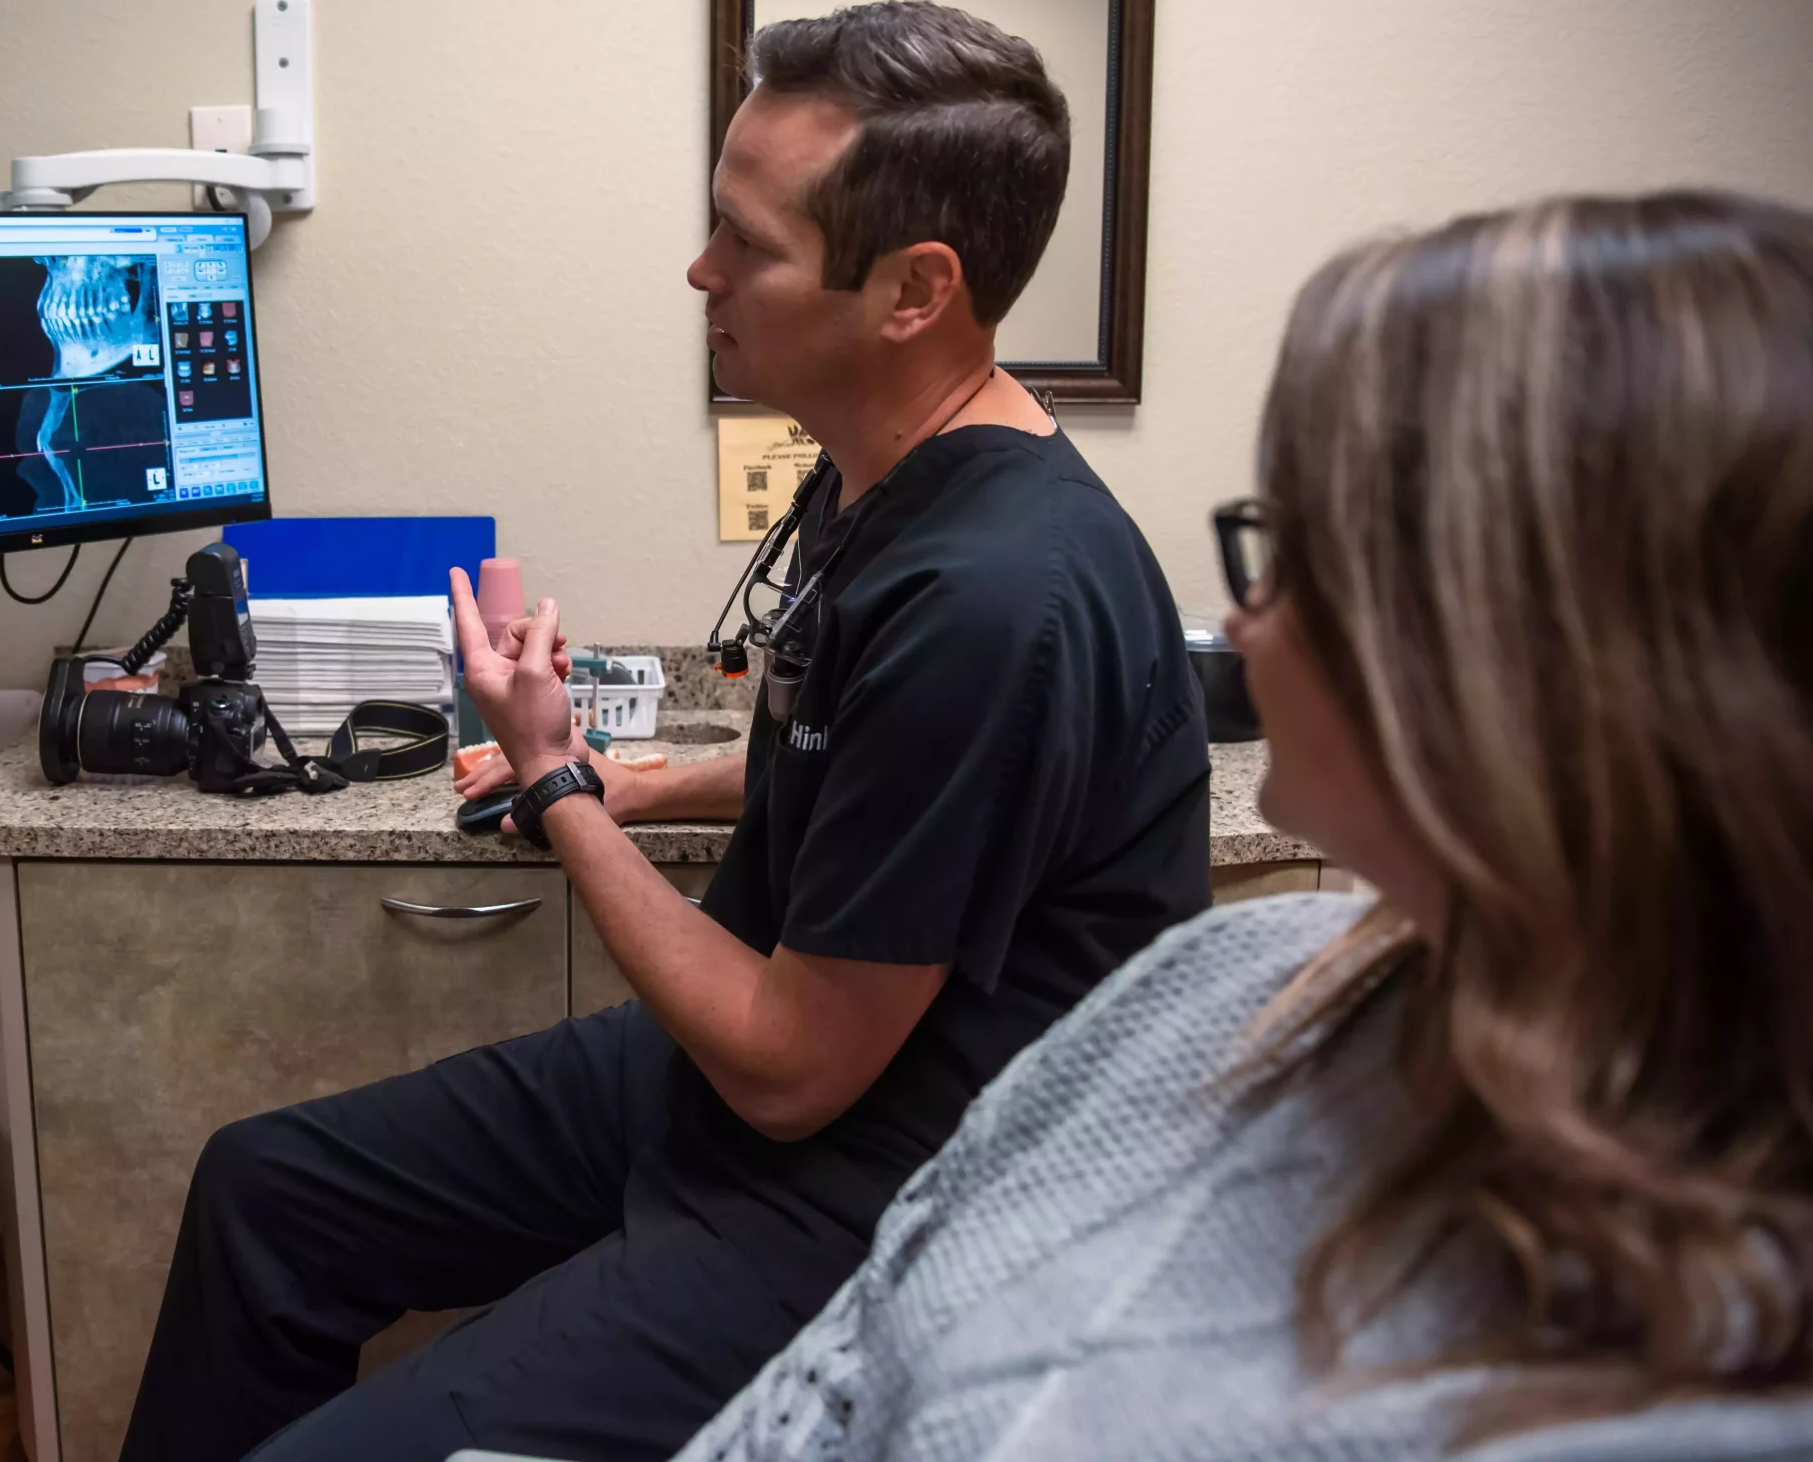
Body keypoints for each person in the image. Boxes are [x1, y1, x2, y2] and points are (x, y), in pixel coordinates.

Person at [118, 1, 1210, 1462]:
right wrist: (643, 779)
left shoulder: (1000, 598)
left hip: (877, 1184)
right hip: (776, 1090)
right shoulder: (890, 480)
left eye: (747, 243)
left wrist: (558, 780)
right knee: (269, 1192)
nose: (701, 272)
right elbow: (864, 769)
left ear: (913, 289)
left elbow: (789, 1061)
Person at [678, 191, 1813, 1461]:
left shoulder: (1673, 1404)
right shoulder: (1232, 984)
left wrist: (564, 792)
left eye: (1300, 546)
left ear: (1537, 656)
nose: (1248, 614)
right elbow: (864, 1337)